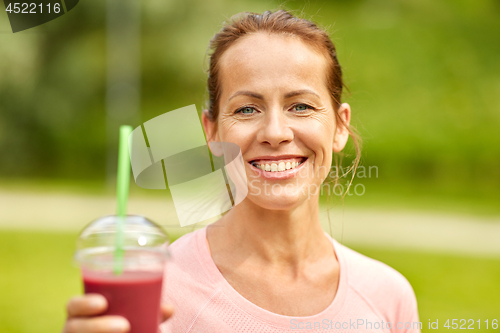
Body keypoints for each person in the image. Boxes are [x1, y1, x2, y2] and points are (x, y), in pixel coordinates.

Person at [63, 9, 421, 333]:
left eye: (300, 106)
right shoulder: (159, 293)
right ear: (212, 131)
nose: (276, 133)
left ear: (340, 127)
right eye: (247, 110)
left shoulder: (388, 297)